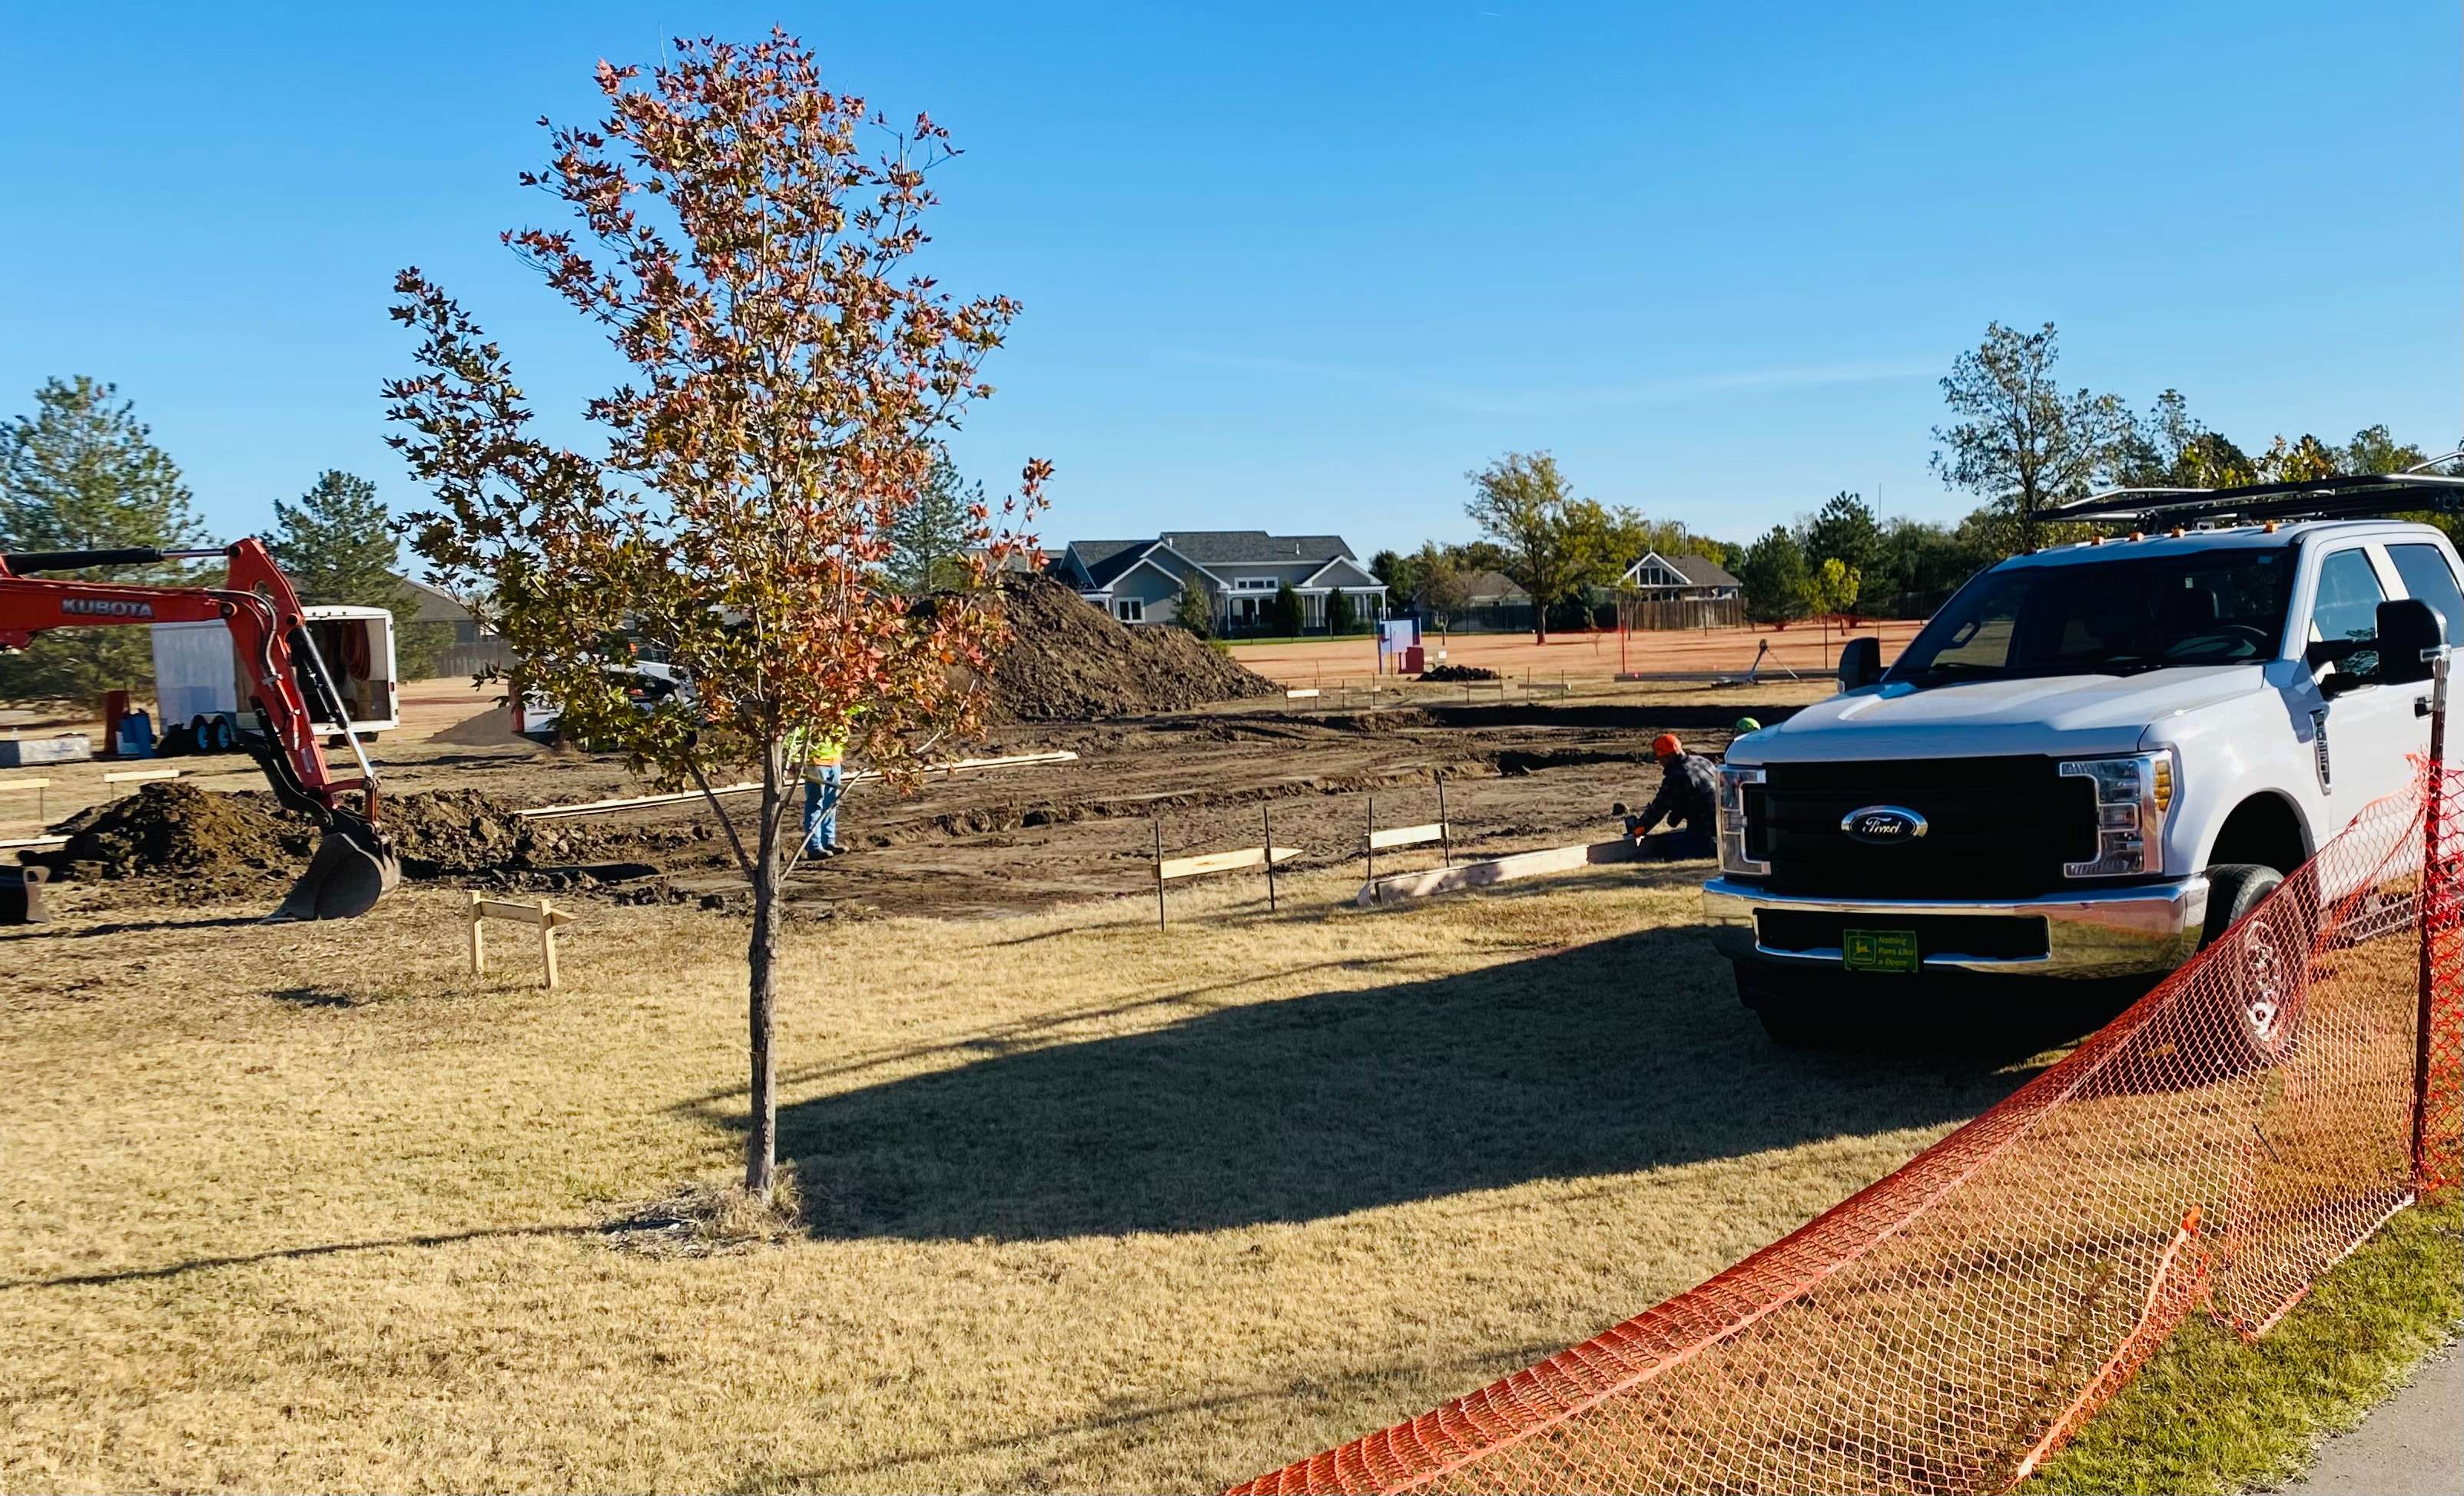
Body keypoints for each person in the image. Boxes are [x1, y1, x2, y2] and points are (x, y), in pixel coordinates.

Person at [1614, 732, 1720, 860]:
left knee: (1664, 849)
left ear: (1668, 757)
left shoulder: (1677, 776)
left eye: (1660, 759)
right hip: (1724, 824)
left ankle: (1710, 847)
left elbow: (1658, 809)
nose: (1660, 763)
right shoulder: (1703, 762)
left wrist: (1639, 829)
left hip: (1705, 830)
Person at [785, 718, 851, 857]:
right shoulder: (811, 713)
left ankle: (828, 841)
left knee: (832, 804)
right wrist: (795, 761)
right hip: (816, 763)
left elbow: (857, 708)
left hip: (835, 761)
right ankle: (814, 846)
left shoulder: (838, 711)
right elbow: (794, 737)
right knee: (816, 803)